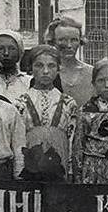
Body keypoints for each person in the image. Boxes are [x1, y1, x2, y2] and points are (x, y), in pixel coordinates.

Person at [16, 45, 79, 182]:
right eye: (39, 66)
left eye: (51, 66)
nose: (45, 71)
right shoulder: (21, 103)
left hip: (59, 162)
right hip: (30, 166)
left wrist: (70, 171)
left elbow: (72, 140)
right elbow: (18, 141)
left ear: (58, 69)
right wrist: (18, 172)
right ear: (31, 69)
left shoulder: (69, 103)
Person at [47, 17, 95, 107]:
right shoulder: (47, 73)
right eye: (62, 40)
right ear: (53, 41)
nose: (69, 45)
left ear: (80, 41)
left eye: (74, 40)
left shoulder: (92, 73)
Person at [0, 29, 31, 102]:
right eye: (0, 48)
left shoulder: (29, 83)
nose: (6, 53)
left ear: (19, 53)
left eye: (12, 49)